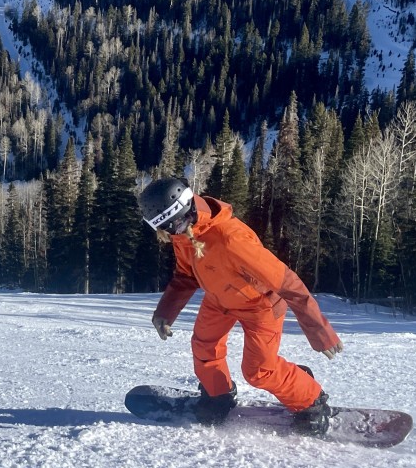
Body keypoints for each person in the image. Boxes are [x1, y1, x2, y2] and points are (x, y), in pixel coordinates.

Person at [138, 177, 344, 435]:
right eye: (165, 229)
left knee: (259, 371)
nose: (171, 234)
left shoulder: (232, 240)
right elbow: (186, 274)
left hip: (261, 305)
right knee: (204, 346)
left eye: (173, 226)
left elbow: (288, 283)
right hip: (219, 300)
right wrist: (166, 312)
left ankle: (312, 401)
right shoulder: (184, 231)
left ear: (187, 210)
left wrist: (319, 331)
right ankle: (218, 395)